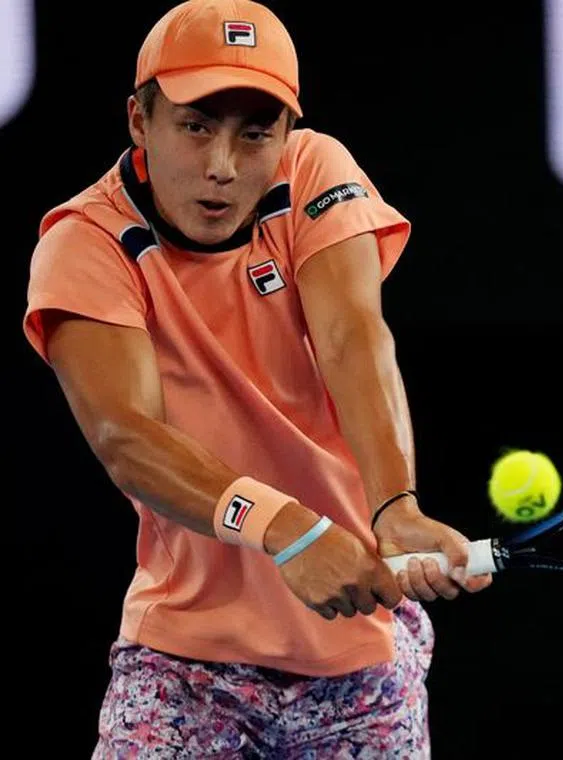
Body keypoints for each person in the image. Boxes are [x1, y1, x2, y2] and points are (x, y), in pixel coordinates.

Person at [21, 0, 491, 756]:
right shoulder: (85, 244)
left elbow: (351, 338)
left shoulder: (316, 171)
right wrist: (286, 528)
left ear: (286, 136)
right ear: (140, 123)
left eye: (255, 133)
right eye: (196, 124)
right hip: (183, 670)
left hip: (360, 676)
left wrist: (395, 504)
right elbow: (126, 437)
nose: (221, 165)